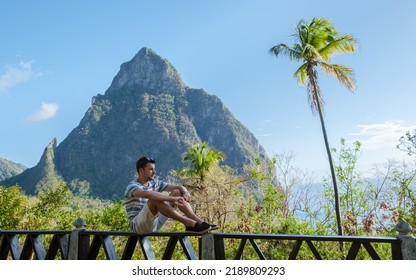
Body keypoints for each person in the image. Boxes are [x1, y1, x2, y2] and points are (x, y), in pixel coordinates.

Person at [124, 156, 217, 234]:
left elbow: (179, 187)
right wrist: (172, 199)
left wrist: (185, 192)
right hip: (139, 226)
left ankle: (200, 222)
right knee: (154, 199)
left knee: (177, 191)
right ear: (141, 171)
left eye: (154, 169)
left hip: (155, 222)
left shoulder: (154, 183)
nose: (154, 172)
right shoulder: (132, 186)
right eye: (150, 169)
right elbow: (146, 194)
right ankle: (188, 223)